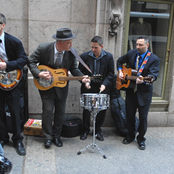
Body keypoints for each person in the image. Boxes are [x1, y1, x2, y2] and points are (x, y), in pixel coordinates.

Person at [28, 28, 90, 149]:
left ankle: (57, 136)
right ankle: (48, 137)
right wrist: (39, 73)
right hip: (45, 86)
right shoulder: (43, 48)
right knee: (48, 112)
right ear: (60, 42)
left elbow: (74, 69)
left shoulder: (72, 52)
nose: (71, 45)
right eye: (69, 42)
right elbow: (30, 61)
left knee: (60, 113)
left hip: (61, 87)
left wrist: (82, 78)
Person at [117, 36, 160, 150]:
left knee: (143, 118)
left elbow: (153, 76)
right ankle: (130, 136)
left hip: (144, 93)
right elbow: (119, 61)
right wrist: (120, 71)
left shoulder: (154, 59)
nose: (138, 47)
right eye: (137, 44)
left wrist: (144, 80)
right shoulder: (131, 53)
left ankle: (141, 138)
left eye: (140, 45)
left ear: (147, 45)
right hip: (131, 91)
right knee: (129, 116)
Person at [0, 13, 28, 156]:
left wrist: (6, 65)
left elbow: (24, 59)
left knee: (15, 111)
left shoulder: (14, 41)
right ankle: (3, 137)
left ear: (2, 25)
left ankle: (18, 140)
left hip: (14, 81)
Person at [78, 36, 114, 141]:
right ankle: (85, 130)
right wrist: (85, 82)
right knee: (86, 110)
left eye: (96, 47)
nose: (93, 50)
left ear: (101, 46)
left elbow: (111, 74)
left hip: (102, 87)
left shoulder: (108, 57)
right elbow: (79, 72)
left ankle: (97, 130)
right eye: (92, 47)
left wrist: (105, 84)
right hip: (88, 87)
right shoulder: (84, 56)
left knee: (102, 110)